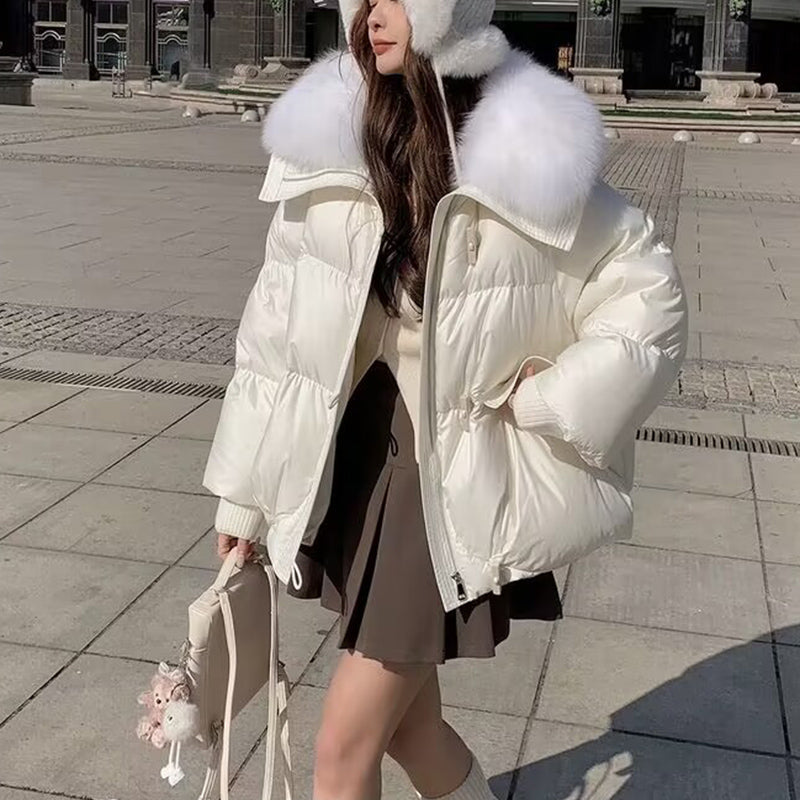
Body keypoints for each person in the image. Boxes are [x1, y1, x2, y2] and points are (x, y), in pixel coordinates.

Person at [203, 0, 688, 798]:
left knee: (342, 751)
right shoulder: (330, 139)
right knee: (410, 729)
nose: (373, 15)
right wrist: (245, 500)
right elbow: (273, 342)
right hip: (356, 456)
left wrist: (549, 400)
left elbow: (649, 298)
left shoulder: (525, 147)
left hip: (441, 476)